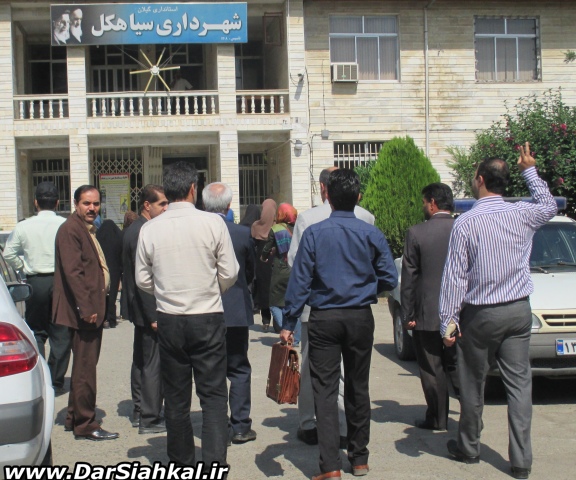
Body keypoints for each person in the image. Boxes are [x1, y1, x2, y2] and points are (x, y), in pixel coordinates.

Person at [439, 143, 557, 480]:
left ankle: (469, 447)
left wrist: (448, 321)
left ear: (479, 180)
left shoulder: (466, 222)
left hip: (481, 314)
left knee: (472, 383)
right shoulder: (522, 213)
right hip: (518, 310)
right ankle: (521, 461)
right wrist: (529, 170)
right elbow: (549, 205)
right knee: (519, 385)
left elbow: (455, 277)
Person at [282, 169, 397, 480]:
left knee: (325, 391)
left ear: (328, 197)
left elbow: (300, 281)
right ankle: (359, 458)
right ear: (358, 197)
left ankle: (330, 465)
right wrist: (366, 288)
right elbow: (390, 277)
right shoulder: (371, 233)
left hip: (324, 317)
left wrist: (289, 320)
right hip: (360, 316)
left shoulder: (314, 233)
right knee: (358, 386)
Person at [136, 162, 238, 469]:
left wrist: (166, 291)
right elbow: (229, 272)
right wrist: (210, 289)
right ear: (194, 188)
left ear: (168, 191)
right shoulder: (213, 223)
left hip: (170, 318)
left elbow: (142, 279)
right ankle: (214, 464)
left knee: (176, 398)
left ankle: (181, 464)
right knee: (213, 396)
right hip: (207, 316)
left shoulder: (150, 228)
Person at [287, 167, 375, 448]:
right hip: (356, 305)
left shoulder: (308, 219)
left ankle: (309, 423)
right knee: (350, 372)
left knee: (314, 369)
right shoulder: (366, 217)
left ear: (324, 189)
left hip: (317, 305)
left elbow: (295, 262)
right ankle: (345, 426)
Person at [53, 185, 119, 441]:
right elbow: (74, 273)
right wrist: (87, 307)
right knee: (85, 370)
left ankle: (74, 416)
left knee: (83, 367)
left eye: (96, 203)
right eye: (86, 203)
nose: (92, 208)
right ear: (76, 204)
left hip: (90, 309)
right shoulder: (70, 229)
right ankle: (86, 424)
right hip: (83, 313)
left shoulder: (86, 228)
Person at [3, 182, 71, 395]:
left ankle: (41, 376)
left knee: (37, 332)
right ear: (57, 203)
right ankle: (56, 380)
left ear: (35, 202)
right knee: (62, 332)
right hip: (61, 282)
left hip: (35, 283)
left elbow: (8, 254)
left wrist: (23, 267)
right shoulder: (65, 224)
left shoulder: (24, 226)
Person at [203, 182, 257, 445]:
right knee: (238, 368)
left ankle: (217, 427)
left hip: (205, 310)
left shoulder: (198, 232)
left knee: (211, 371)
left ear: (204, 205)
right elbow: (250, 272)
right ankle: (240, 426)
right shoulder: (242, 233)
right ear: (228, 205)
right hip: (235, 308)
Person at [401, 182, 457, 432]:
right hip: (461, 313)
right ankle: (470, 421)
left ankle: (438, 419)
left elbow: (409, 277)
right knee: (460, 368)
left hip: (428, 313)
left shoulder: (417, 233)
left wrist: (408, 314)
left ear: (432, 203)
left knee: (432, 369)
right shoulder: (464, 228)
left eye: (424, 202)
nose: (423, 206)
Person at [122, 185, 168, 435]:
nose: (166, 208)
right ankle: (150, 416)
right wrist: (153, 315)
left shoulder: (138, 228)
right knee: (152, 363)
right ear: (147, 205)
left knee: (141, 360)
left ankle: (140, 410)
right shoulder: (142, 231)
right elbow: (144, 278)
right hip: (147, 307)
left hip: (140, 307)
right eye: (162, 204)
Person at [261, 203, 298, 342]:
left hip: (280, 269)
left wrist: (264, 257)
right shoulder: (298, 227)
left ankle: (287, 331)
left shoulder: (276, 229)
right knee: (294, 304)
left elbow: (267, 248)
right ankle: (297, 337)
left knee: (274, 303)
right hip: (295, 269)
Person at [251, 199, 277, 331]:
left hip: (261, 262)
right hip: (274, 263)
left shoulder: (256, 226)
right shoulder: (278, 227)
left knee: (263, 290)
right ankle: (278, 322)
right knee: (275, 291)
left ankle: (266, 320)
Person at [96, 219, 123, 329]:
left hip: (101, 268)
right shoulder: (118, 236)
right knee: (112, 294)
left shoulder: (98, 235)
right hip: (115, 268)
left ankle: (102, 318)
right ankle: (111, 319)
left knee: (102, 293)